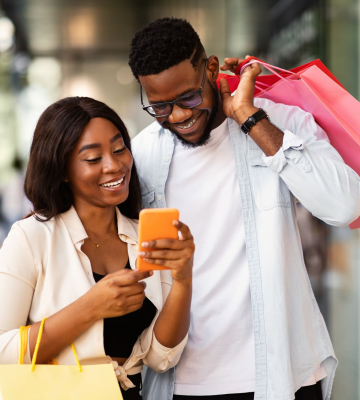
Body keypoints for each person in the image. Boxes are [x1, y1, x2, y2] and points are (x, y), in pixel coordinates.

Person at [128, 17, 360, 400]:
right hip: (181, 381)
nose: (180, 116)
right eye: (161, 107)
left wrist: (250, 119)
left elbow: (345, 205)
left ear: (212, 68)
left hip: (282, 376)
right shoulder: (143, 153)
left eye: (188, 97)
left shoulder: (277, 121)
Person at [0, 97, 195, 400]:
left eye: (119, 149)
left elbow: (160, 357)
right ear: (62, 169)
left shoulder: (142, 237)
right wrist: (91, 306)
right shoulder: (31, 237)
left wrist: (183, 280)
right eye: (93, 159)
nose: (114, 165)